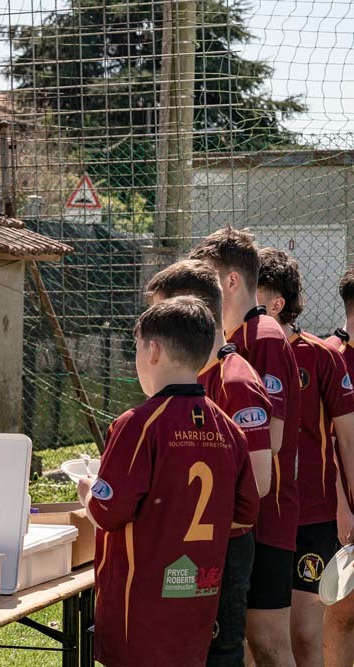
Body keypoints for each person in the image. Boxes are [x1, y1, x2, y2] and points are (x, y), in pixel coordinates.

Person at [78, 296, 259, 667]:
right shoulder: (230, 430)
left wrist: (87, 491)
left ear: (153, 350)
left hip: (139, 614)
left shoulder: (138, 425)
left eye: (136, 348)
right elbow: (245, 514)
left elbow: (108, 512)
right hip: (196, 603)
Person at [145, 259, 272, 667]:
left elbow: (260, 480)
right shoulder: (188, 378)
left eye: (161, 316)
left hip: (221, 551)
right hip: (183, 547)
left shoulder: (235, 381)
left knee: (219, 655)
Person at [189, 227, 301, 667]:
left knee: (270, 644)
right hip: (239, 517)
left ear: (231, 281)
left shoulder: (264, 334)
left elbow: (272, 436)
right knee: (249, 645)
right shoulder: (232, 338)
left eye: (207, 278)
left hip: (268, 513)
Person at [257, 248, 354, 667]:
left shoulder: (321, 356)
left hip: (311, 517)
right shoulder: (236, 355)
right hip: (257, 516)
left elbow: (346, 440)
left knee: (306, 633)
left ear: (276, 303)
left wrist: (350, 505)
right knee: (257, 637)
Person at [324, 266, 354, 667]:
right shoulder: (331, 357)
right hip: (342, 509)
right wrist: (342, 507)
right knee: (342, 608)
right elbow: (328, 445)